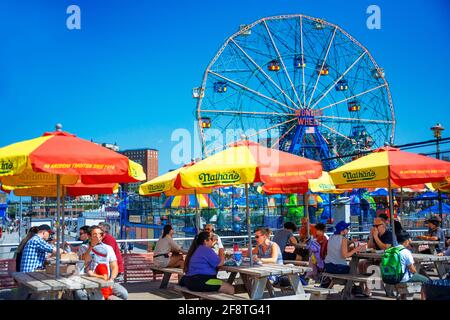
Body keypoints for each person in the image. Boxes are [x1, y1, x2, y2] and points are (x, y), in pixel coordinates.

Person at [75, 225, 128, 300]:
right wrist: (92, 246)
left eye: (100, 234)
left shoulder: (108, 248)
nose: (98, 236)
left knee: (124, 294)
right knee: (80, 295)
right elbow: (84, 260)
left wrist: (111, 279)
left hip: (105, 280)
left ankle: (106, 296)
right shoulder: (84, 247)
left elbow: (114, 266)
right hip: (88, 280)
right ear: (89, 236)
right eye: (95, 234)